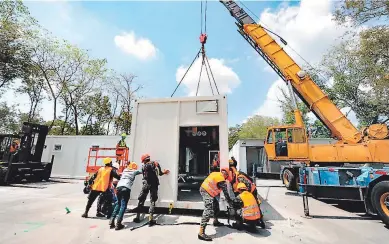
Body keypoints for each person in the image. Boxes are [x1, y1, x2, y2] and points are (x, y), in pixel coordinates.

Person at [133, 154, 170, 226]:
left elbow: (144, 176)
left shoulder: (143, 166)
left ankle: (137, 217)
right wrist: (165, 172)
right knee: (152, 201)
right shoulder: (156, 164)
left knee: (141, 200)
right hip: (154, 184)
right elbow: (160, 173)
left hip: (146, 184)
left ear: (144, 160)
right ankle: (150, 219)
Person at [198, 167, 233, 241]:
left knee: (216, 206)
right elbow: (226, 193)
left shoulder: (215, 173)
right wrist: (230, 202)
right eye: (227, 177)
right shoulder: (221, 179)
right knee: (208, 209)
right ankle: (201, 233)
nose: (226, 178)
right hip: (206, 191)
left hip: (205, 190)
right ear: (226, 174)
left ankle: (215, 221)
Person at [109, 161, 142, 230]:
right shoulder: (134, 171)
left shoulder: (125, 170)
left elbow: (126, 168)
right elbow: (142, 170)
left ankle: (112, 220)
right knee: (123, 205)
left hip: (118, 187)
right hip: (126, 188)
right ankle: (118, 224)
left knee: (118, 203)